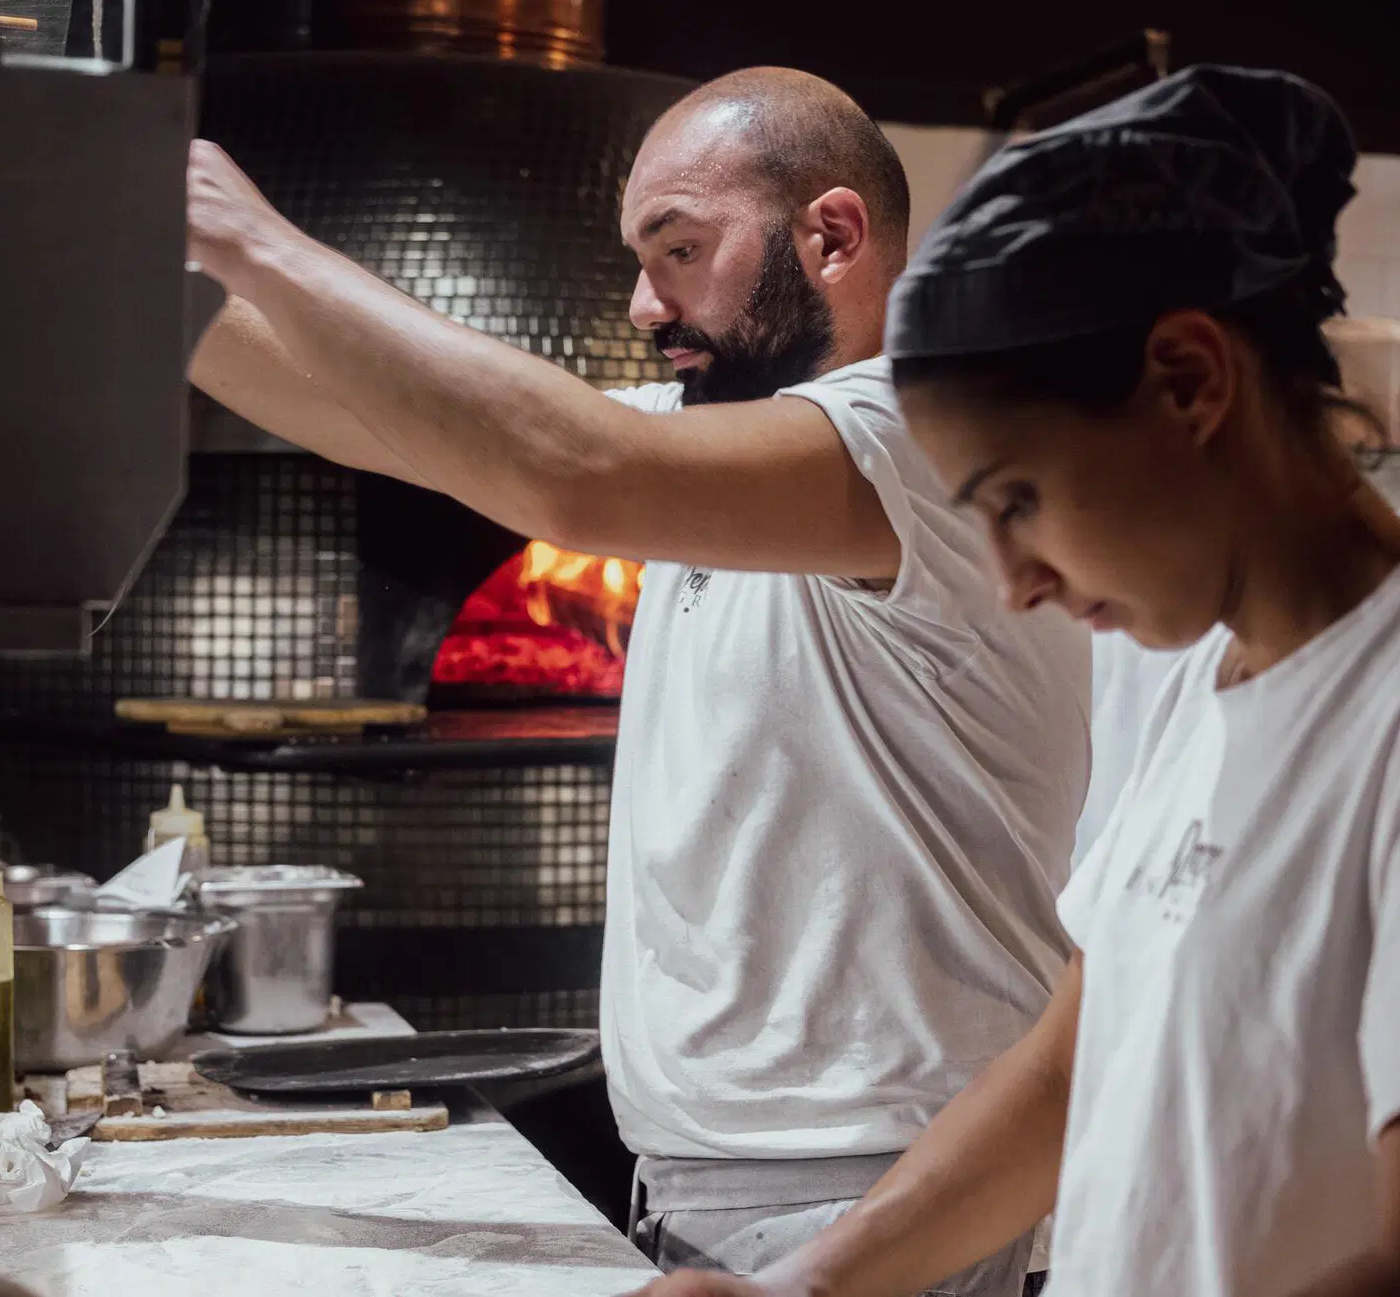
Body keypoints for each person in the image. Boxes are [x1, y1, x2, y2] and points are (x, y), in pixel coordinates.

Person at [631, 64, 1400, 1297]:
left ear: (1188, 380)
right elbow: (1072, 1066)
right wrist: (797, 1290)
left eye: (1017, 499)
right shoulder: (1198, 681)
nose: (1011, 580)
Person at [185, 67, 1091, 1292]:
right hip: (721, 1185)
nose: (640, 301)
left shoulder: (920, 431)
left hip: (890, 1204)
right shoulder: (711, 436)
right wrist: (134, 272)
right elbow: (369, 417)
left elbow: (571, 465)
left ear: (830, 235)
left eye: (678, 249)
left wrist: (253, 238)